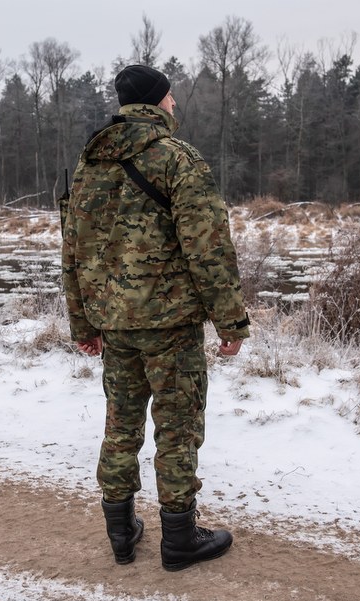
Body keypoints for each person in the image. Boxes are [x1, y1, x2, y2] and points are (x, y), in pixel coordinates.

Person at [61, 65, 250, 571]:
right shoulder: (177, 159)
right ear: (160, 102)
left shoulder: (87, 163)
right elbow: (208, 248)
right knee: (177, 427)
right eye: (172, 98)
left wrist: (83, 324)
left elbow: (72, 251)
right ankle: (179, 538)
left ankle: (121, 534)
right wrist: (231, 323)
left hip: (114, 324)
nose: (175, 106)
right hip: (169, 326)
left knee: (121, 425)